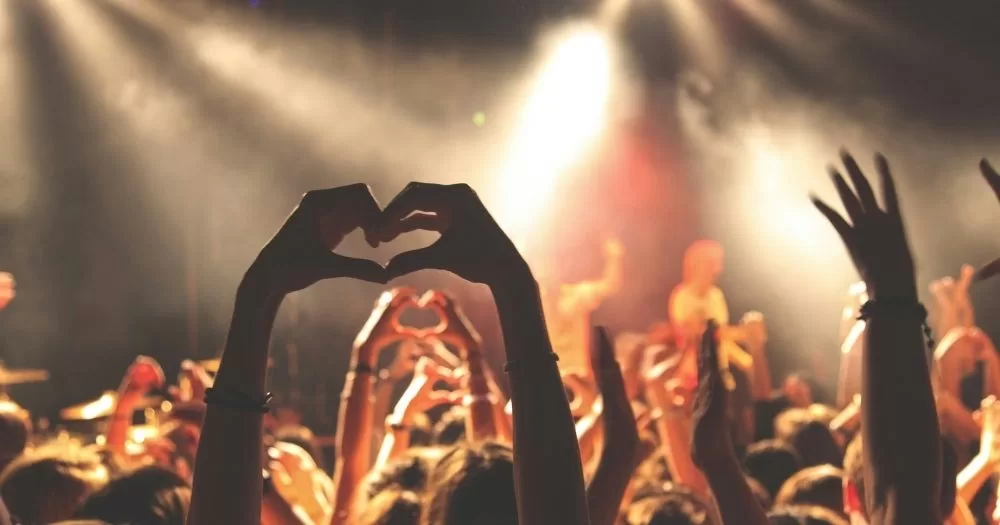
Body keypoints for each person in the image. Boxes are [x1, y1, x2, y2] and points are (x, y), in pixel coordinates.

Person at [668, 240, 753, 391]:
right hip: (694, 381)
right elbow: (699, 335)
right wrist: (744, 333)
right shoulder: (682, 296)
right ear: (696, 265)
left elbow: (722, 340)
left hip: (720, 378)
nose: (718, 269)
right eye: (711, 263)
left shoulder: (716, 296)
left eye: (718, 263)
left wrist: (747, 361)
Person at [537, 237, 624, 377]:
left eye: (550, 266)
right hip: (551, 378)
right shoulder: (533, 304)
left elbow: (611, 284)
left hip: (580, 376)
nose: (547, 272)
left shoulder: (577, 295)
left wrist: (614, 257)